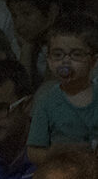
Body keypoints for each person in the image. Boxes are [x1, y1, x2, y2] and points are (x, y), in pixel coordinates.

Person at [27, 15, 98, 164]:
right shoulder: (46, 101)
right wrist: (54, 154)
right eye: (58, 55)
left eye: (76, 55)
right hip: (60, 176)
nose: (65, 61)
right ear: (49, 60)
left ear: (93, 61)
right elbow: (33, 152)